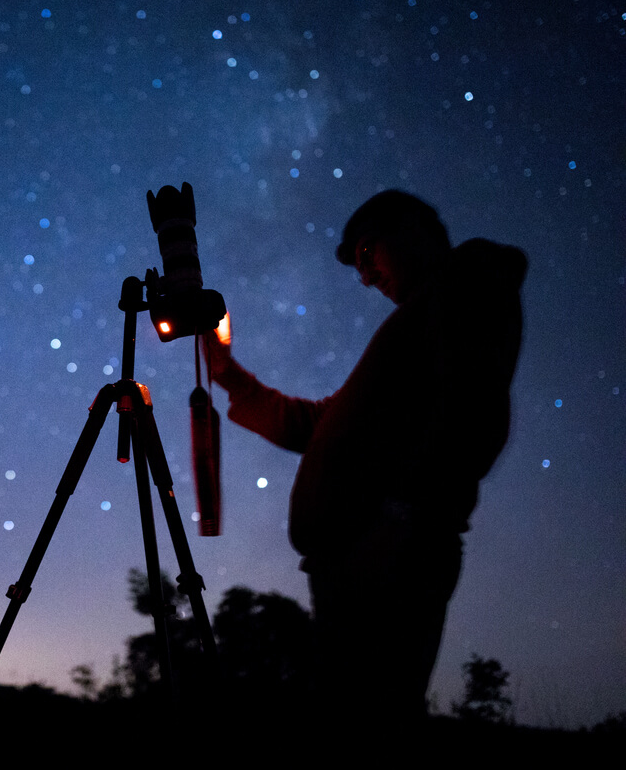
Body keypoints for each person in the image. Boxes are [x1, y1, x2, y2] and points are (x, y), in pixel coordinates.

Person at [202, 190, 526, 735]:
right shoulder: (418, 324)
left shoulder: (466, 279)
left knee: (370, 719)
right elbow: (317, 427)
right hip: (363, 560)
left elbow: (471, 414)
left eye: (368, 252)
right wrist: (229, 375)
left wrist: (401, 520)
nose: (366, 277)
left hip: (392, 554)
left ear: (413, 228)